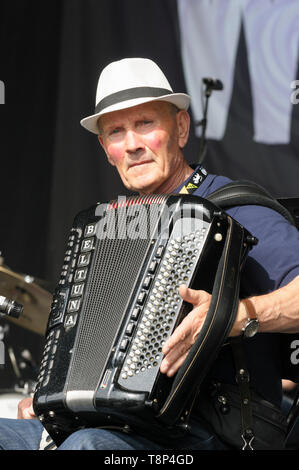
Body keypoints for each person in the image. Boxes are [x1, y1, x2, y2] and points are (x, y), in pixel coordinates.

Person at [1, 57, 299, 451]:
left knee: (89, 446)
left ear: (180, 127)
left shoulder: (236, 210)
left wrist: (232, 316)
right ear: (105, 149)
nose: (133, 144)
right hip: (115, 425)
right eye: (116, 132)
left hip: (216, 430)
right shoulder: (113, 231)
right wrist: (52, 400)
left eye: (145, 124)